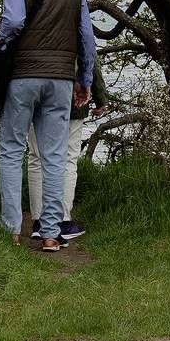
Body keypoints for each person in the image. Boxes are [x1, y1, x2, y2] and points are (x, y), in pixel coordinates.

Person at [0, 0, 98, 252]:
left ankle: (11, 229)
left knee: (12, 151)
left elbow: (12, 23)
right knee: (54, 156)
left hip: (22, 77)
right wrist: (85, 79)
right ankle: (52, 234)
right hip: (60, 81)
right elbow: (87, 38)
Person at [24, 67, 104, 244]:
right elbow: (89, 59)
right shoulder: (75, 36)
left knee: (36, 157)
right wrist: (100, 98)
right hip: (70, 97)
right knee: (68, 158)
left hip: (33, 92)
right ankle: (63, 221)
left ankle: (38, 221)